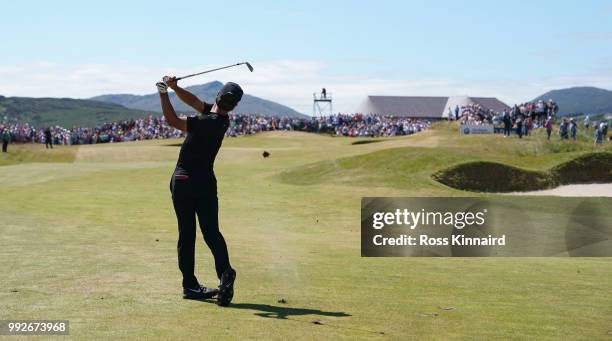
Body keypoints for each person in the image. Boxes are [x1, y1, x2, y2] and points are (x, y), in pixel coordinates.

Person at [156, 76, 241, 306]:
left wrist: (164, 93)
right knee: (212, 232)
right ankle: (224, 272)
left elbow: (173, 121)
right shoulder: (221, 119)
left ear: (218, 96)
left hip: (183, 180)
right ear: (232, 105)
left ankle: (190, 285)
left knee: (187, 234)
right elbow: (194, 101)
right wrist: (175, 88)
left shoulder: (207, 121)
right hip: (206, 183)